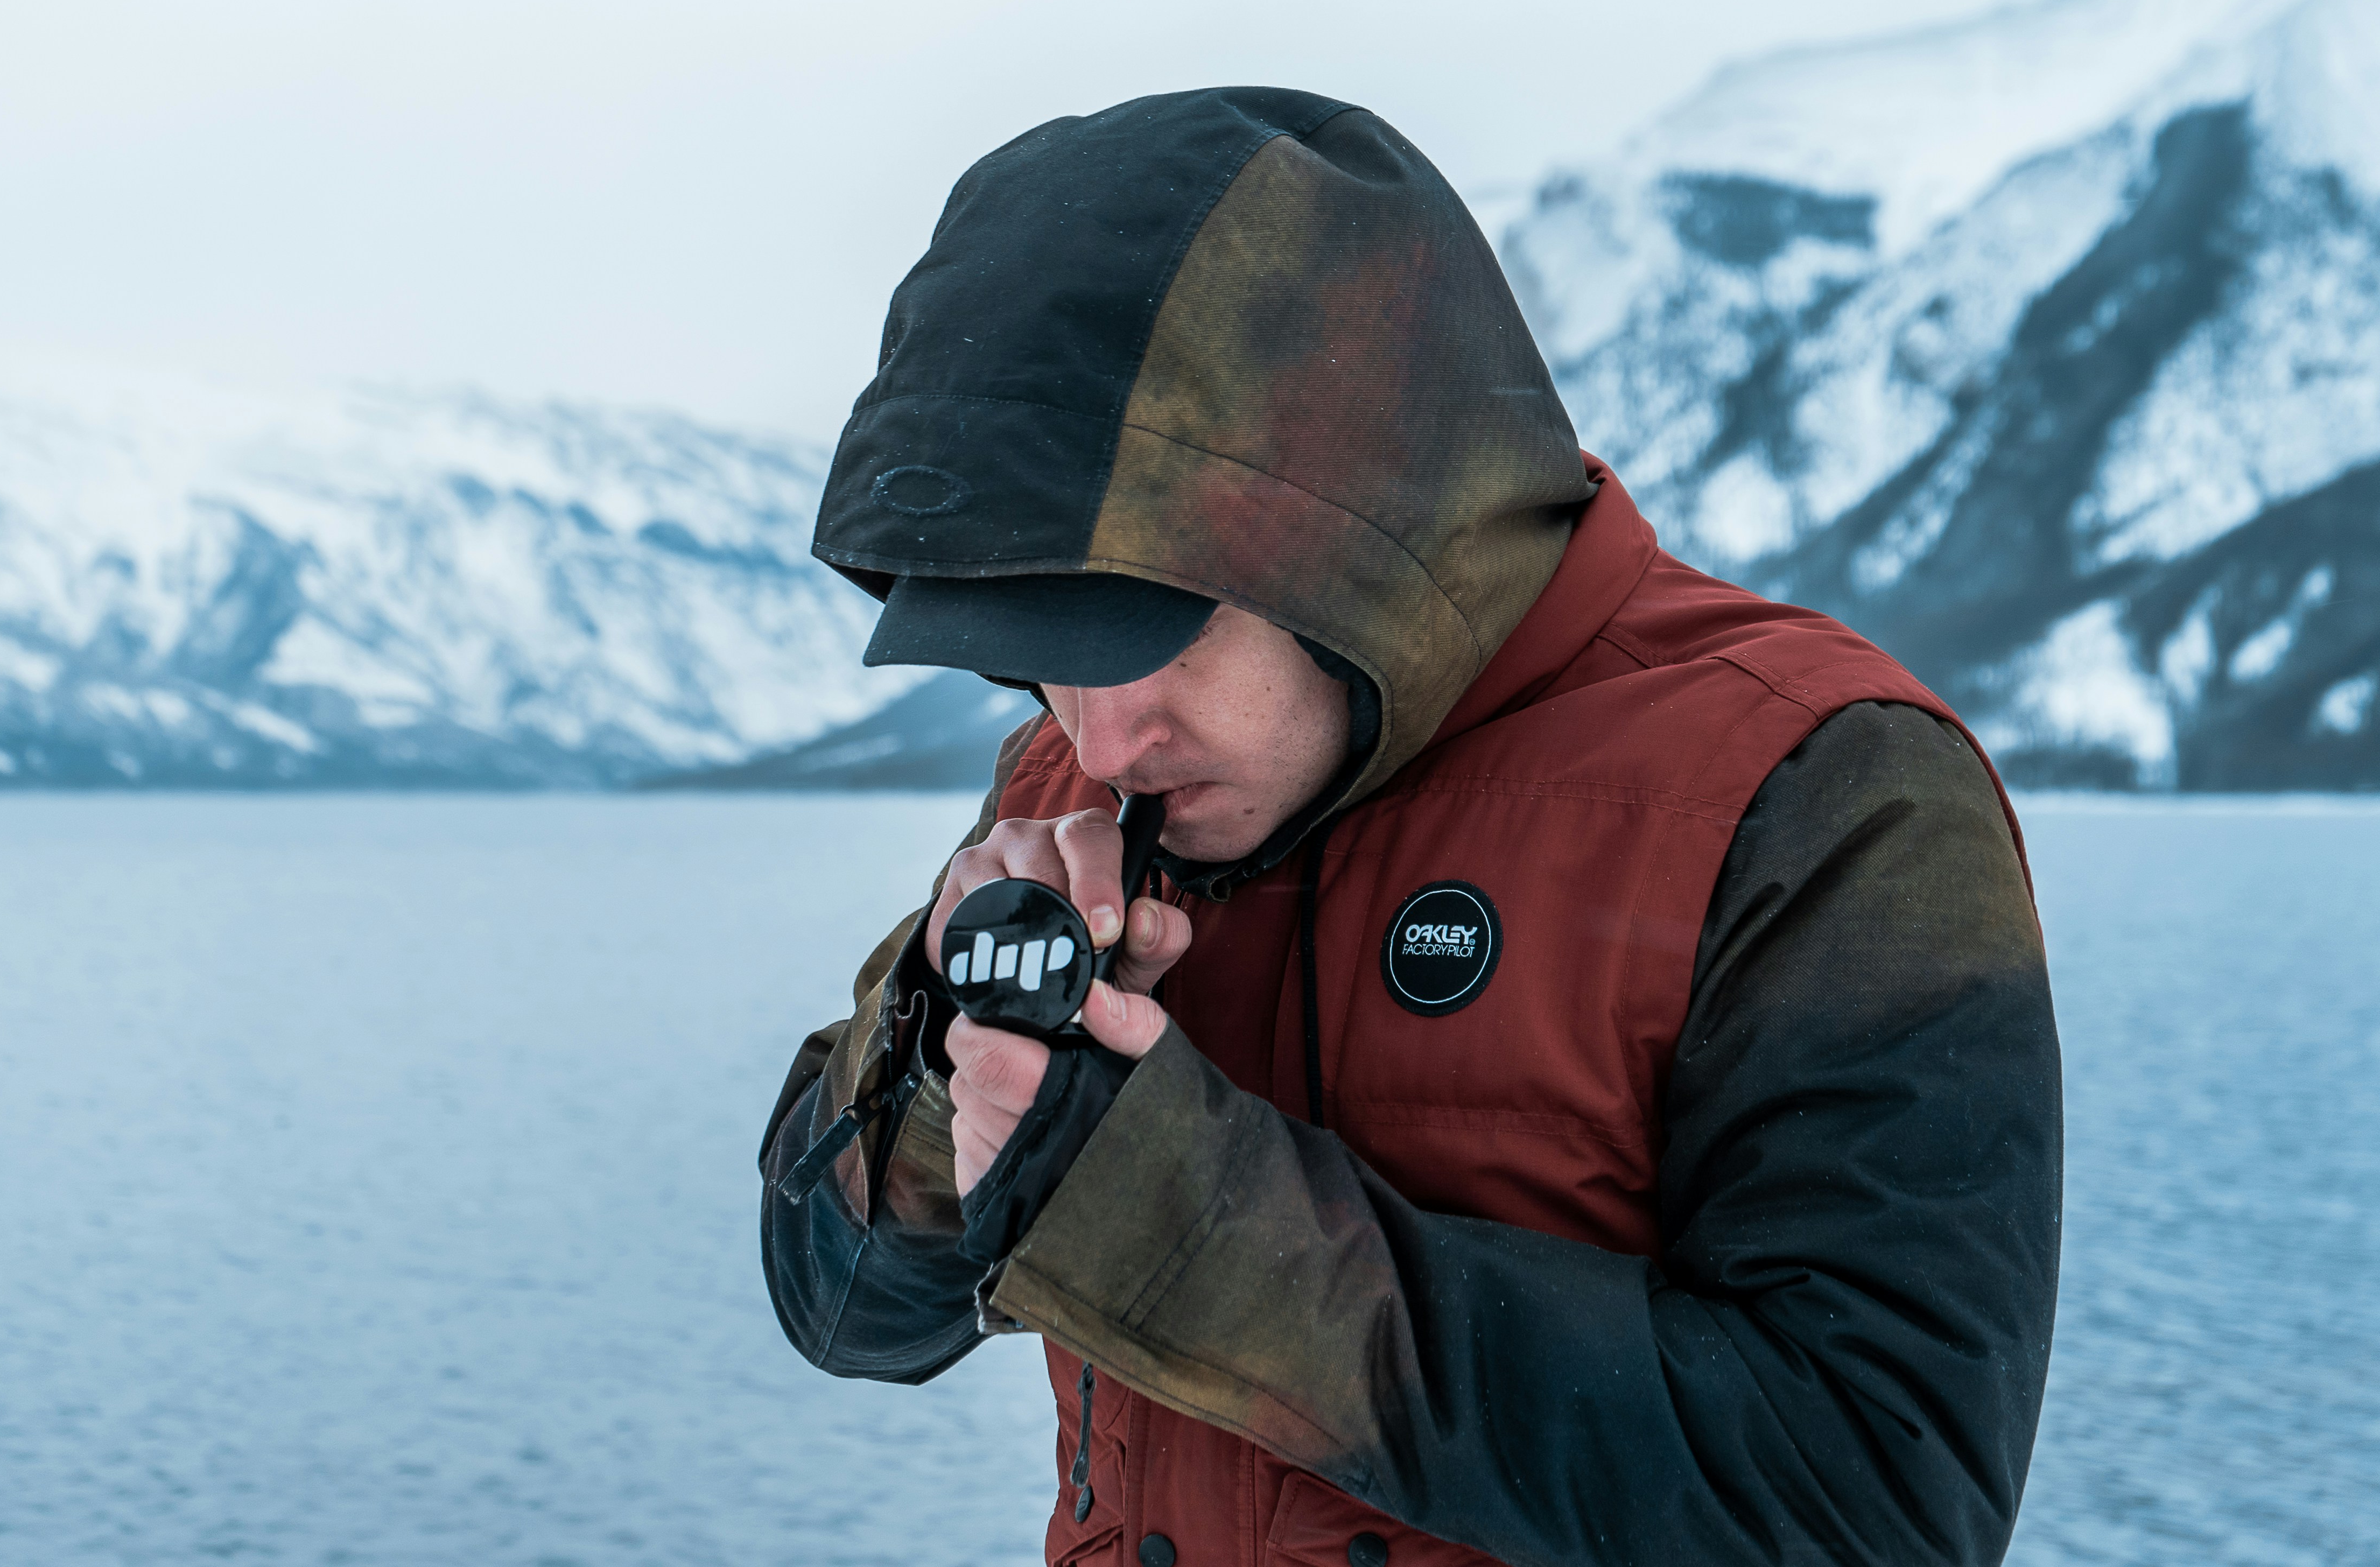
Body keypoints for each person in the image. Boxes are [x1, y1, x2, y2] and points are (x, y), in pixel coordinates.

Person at [759, 86, 2062, 1567]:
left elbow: (1876, 1509)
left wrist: (1177, 1226)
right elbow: (845, 1311)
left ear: (1361, 534)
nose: (1102, 737)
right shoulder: (1071, 786)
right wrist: (952, 1077)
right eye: (1042, 657)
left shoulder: (1818, 791)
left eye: (1151, 639)